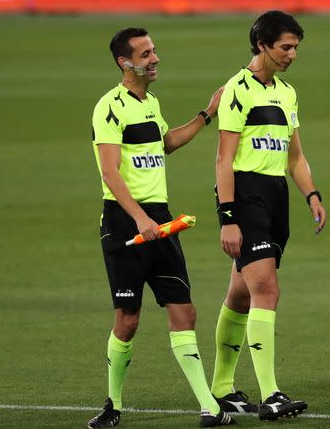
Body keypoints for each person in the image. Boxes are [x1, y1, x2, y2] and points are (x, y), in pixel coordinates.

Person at [88, 27, 233, 428]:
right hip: (125, 222)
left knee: (184, 311)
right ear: (125, 62)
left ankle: (209, 408)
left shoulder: (150, 103)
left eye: (155, 51)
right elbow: (109, 172)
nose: (155, 58)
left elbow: (165, 143)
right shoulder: (109, 107)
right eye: (146, 53)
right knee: (128, 319)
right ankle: (113, 405)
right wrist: (139, 218)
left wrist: (208, 113)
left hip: (160, 221)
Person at [210, 10, 327, 422]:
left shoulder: (287, 93)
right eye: (285, 47)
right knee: (267, 291)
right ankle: (271, 394)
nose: (293, 54)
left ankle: (222, 388)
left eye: (296, 47)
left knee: (241, 294)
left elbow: (295, 156)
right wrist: (227, 216)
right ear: (262, 45)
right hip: (244, 194)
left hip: (275, 196)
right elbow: (224, 158)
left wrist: (311, 193)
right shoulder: (236, 91)